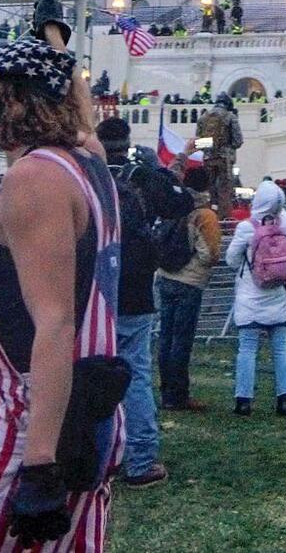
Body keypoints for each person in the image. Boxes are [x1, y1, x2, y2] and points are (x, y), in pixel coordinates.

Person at [0, 34, 125, 552]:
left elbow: (55, 324)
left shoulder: (35, 179)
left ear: (12, 102)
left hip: (30, 418)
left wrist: (39, 466)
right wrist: (58, 51)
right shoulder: (87, 162)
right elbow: (84, 127)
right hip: (88, 411)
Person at [95, 120, 169, 488]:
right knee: (135, 375)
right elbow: (178, 202)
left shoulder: (88, 177)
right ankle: (140, 458)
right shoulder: (140, 180)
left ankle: (93, 455)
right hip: (136, 292)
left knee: (91, 372)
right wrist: (157, 169)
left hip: (96, 290)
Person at [226, 180, 286, 417]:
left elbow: (231, 259)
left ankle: (244, 400)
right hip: (278, 293)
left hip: (251, 295)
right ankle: (285, 399)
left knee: (247, 349)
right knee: (281, 348)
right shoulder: (285, 223)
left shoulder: (247, 228)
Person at [156, 164, 221, 412]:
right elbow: (210, 254)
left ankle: (165, 392)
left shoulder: (172, 206)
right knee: (181, 340)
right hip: (189, 282)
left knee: (165, 338)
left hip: (164, 277)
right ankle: (178, 396)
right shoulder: (204, 215)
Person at [194, 94, 242, 217]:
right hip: (224, 159)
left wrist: (209, 149)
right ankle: (224, 219)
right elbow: (238, 141)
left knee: (208, 189)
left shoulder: (203, 117)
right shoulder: (230, 117)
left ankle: (209, 215)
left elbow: (198, 140)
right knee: (225, 190)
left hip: (207, 159)